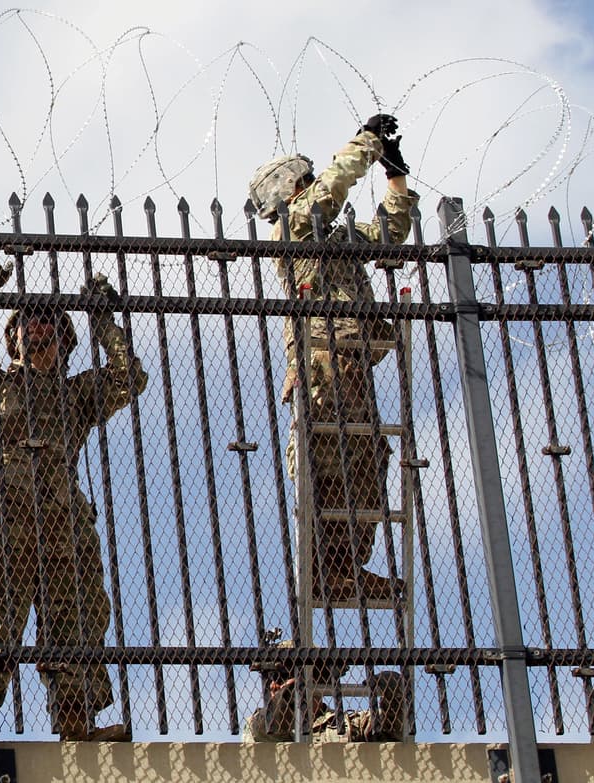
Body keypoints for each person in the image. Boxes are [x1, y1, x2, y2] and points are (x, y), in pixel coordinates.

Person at [0, 270, 147, 742]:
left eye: (51, 324)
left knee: (76, 615)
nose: (39, 328)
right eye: (30, 321)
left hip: (64, 517)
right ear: (12, 337)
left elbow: (129, 377)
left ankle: (76, 719)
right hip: (5, 512)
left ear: (65, 340)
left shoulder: (77, 393)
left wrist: (102, 321)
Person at [247, 113, 419, 602]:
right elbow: (330, 190)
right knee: (327, 456)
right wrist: (367, 142)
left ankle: (346, 564)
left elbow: (391, 231)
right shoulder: (293, 227)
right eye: (302, 181)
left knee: (367, 457)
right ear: (286, 192)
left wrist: (394, 171)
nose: (309, 186)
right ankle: (327, 563)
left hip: (353, 359)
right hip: (320, 357)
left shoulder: (331, 236)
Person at [243, 640, 406, 742]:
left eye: (280, 676)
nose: (273, 685)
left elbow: (391, 734)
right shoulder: (258, 725)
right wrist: (289, 696)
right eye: (269, 678)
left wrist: (395, 697)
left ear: (316, 678)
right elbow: (274, 725)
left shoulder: (347, 724)